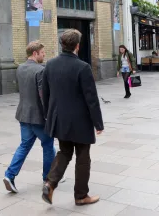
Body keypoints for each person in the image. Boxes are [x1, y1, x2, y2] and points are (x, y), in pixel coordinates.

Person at [42, 29, 104, 206]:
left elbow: (44, 94)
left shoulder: (50, 64)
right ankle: (81, 196)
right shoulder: (83, 67)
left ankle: (50, 183)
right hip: (80, 122)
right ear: (77, 46)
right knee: (83, 157)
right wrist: (98, 123)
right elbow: (91, 99)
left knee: (64, 152)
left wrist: (49, 115)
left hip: (59, 120)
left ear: (63, 44)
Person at [3, 41, 56, 193]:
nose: (44, 54)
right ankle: (48, 178)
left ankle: (9, 175)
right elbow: (43, 96)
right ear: (35, 53)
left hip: (23, 114)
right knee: (48, 145)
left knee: (24, 145)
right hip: (38, 117)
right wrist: (49, 115)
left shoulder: (20, 68)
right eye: (42, 52)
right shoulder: (40, 70)